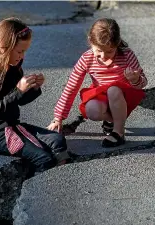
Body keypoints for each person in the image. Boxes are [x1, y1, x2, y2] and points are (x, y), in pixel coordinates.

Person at [0, 17, 70, 172]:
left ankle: (63, 171)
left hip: (13, 126)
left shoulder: (14, 67)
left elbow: (21, 101)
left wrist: (33, 88)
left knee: (57, 139)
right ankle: (40, 183)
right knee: (43, 157)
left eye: (24, 51)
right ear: (4, 48)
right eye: (19, 51)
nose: (22, 56)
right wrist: (18, 90)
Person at [47, 18, 147, 148]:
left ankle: (119, 132)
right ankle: (113, 121)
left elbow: (142, 83)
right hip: (102, 95)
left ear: (117, 44)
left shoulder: (127, 55)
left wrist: (135, 79)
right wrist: (58, 117)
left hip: (124, 97)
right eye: (99, 51)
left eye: (110, 51)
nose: (104, 56)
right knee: (92, 110)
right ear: (90, 41)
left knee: (113, 89)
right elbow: (71, 87)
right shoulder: (87, 59)